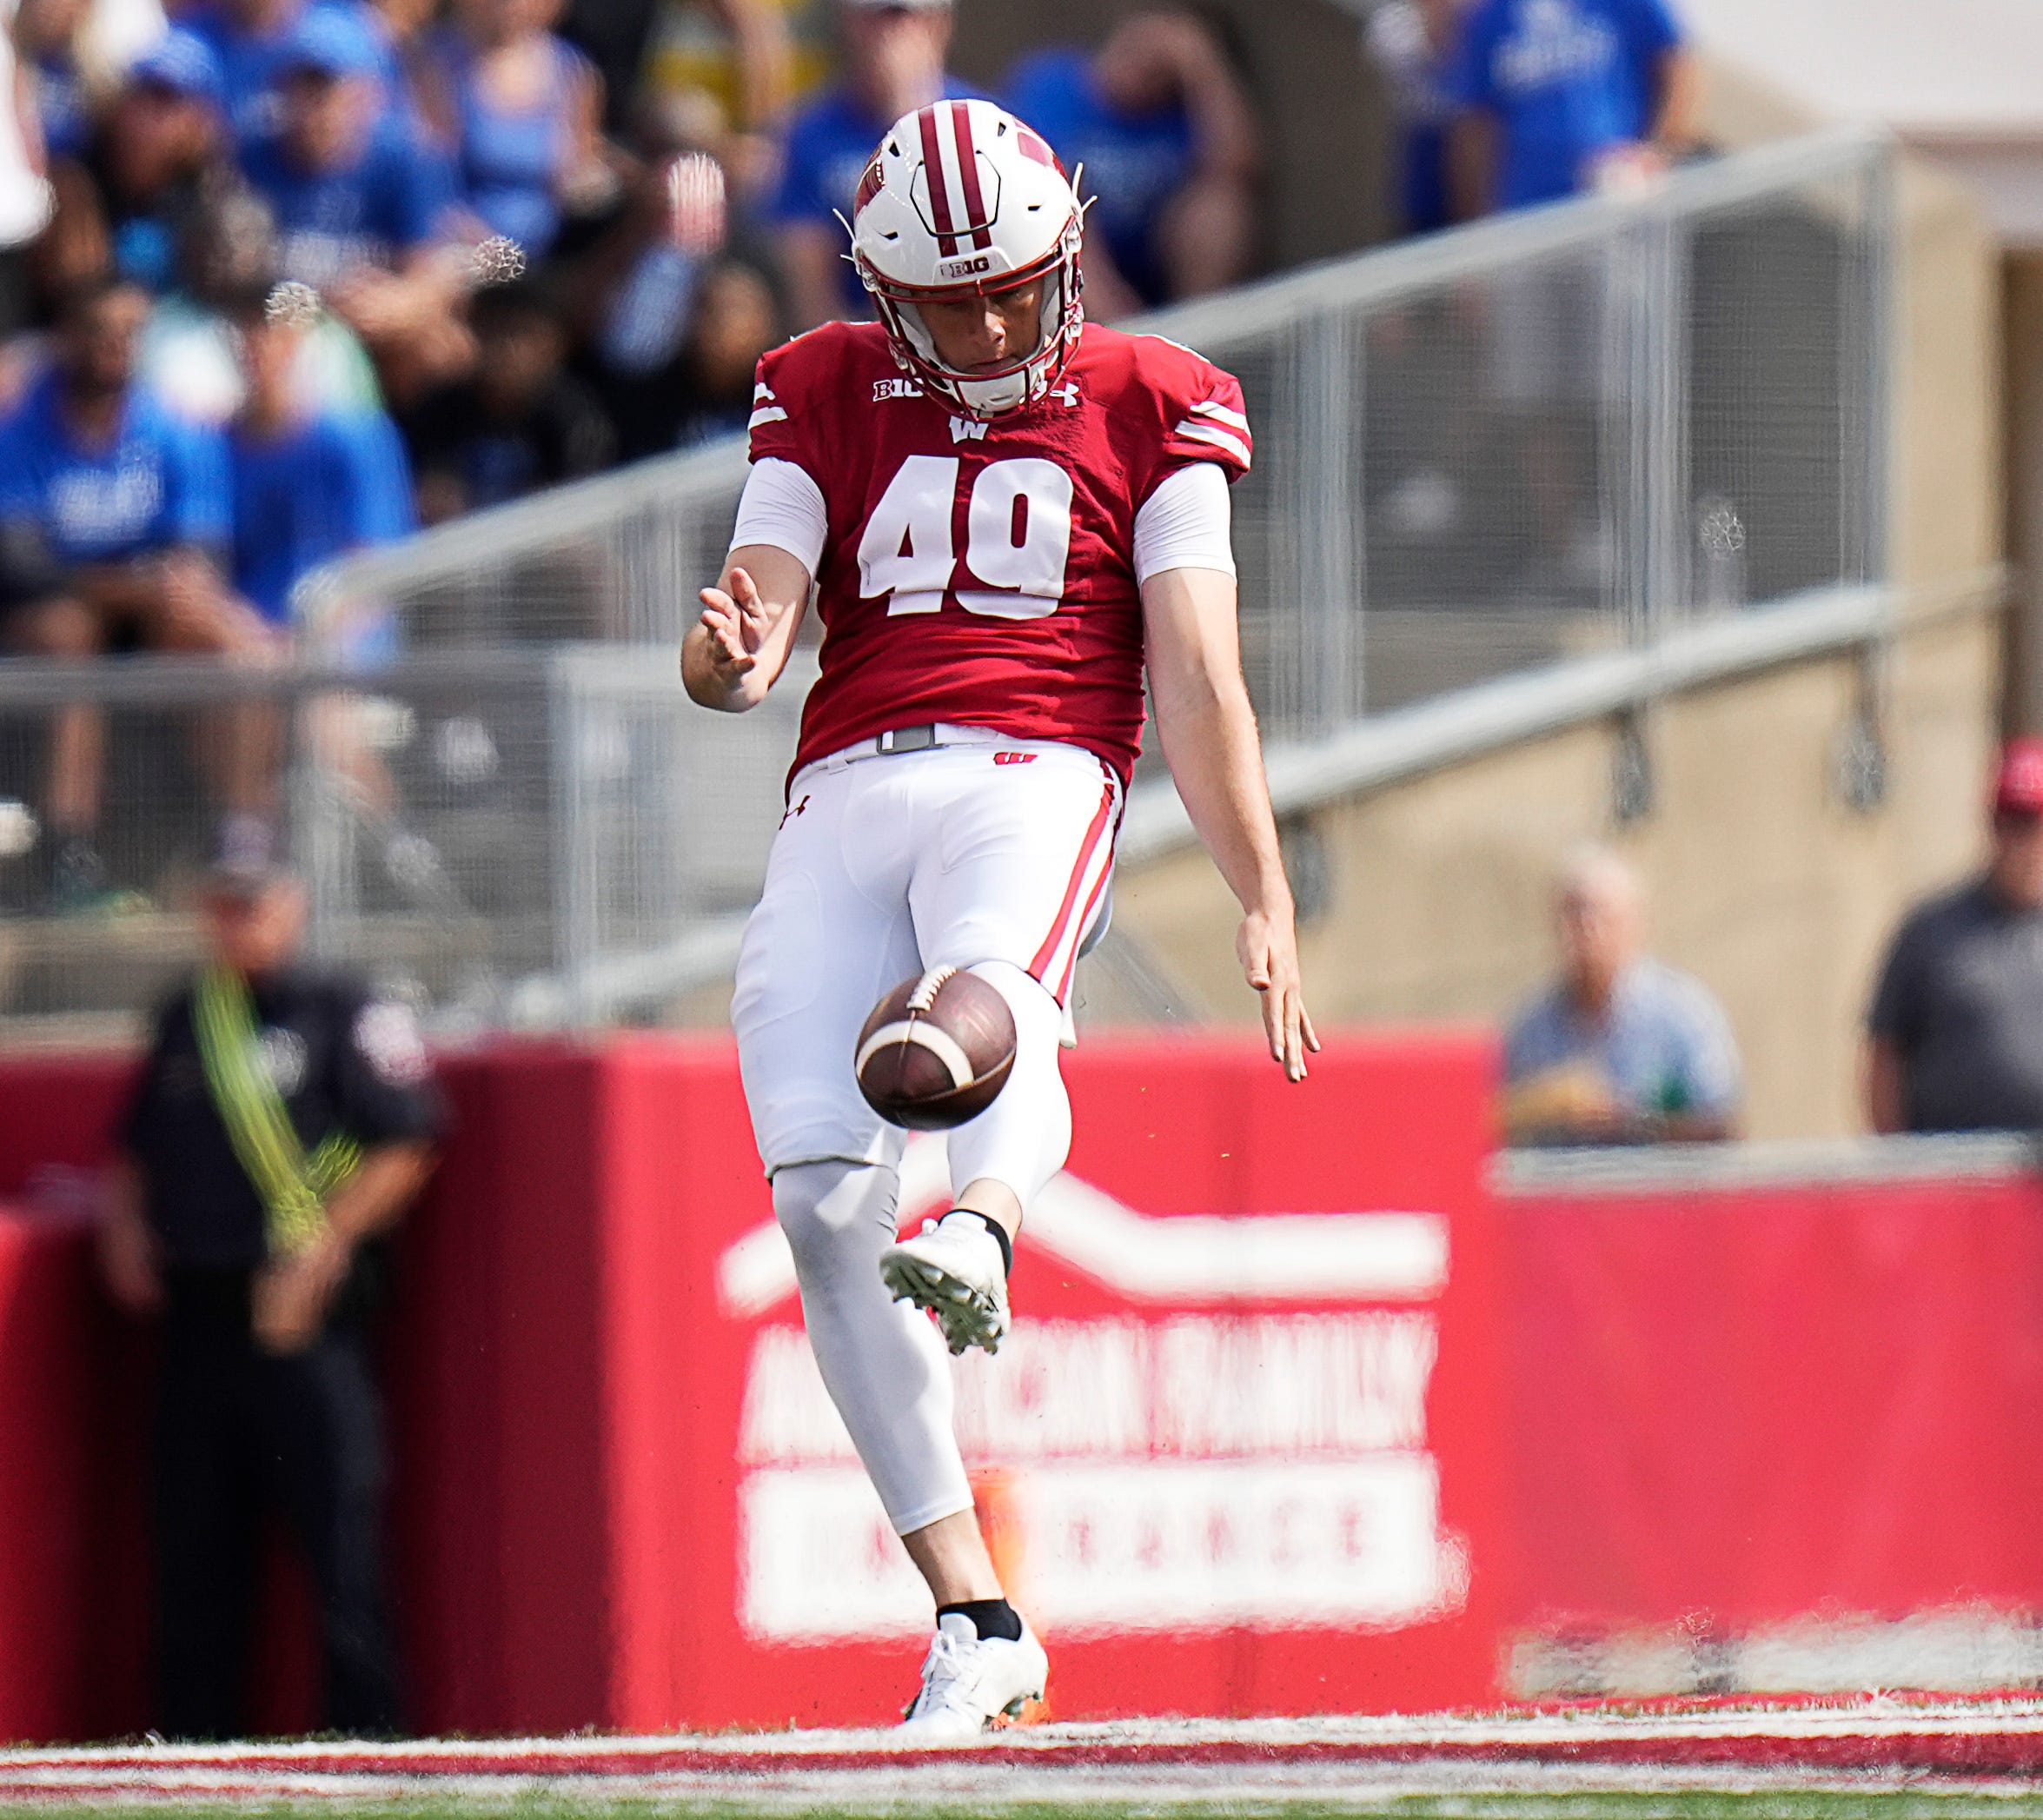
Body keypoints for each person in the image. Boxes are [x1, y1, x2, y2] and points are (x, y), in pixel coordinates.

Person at [683, 98, 1317, 1737]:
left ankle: (984, 1219)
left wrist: (1263, 883)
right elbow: (749, 612)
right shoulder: (818, 381)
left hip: (1037, 762)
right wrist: (729, 656)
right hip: (840, 788)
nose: (985, 323)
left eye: (1012, 288)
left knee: (974, 1005)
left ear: (1067, 252)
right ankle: (978, 1613)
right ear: (880, 289)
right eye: (948, 298)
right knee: (823, 1206)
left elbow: (1194, 666)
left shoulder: (1160, 399)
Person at [103, 823, 441, 1740]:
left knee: (339, 1543)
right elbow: (134, 1148)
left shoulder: (343, 1008)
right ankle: (190, 1747)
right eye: (222, 902)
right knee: (194, 1548)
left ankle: (368, 1743)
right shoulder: (187, 1015)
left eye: (253, 900)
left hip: (306, 1321)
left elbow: (404, 1142)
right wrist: (127, 1231)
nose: (236, 920)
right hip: (199, 1316)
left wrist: (322, 1248)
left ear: (290, 904)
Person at [0, 273, 269, 908]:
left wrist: (156, 588)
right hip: (50, 612)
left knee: (223, 632)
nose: (114, 347)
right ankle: (69, 847)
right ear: (67, 338)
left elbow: (202, 552)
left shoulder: (171, 431)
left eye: (130, 333)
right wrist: (128, 586)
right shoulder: (19, 434)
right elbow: (24, 566)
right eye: (99, 332)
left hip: (146, 609)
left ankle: (243, 830)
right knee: (68, 633)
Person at [238, 7, 468, 398]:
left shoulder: (404, 157)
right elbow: (232, 278)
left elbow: (435, 266)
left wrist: (404, 303)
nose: (312, 105)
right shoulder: (251, 156)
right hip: (278, 322)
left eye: (326, 87)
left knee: (439, 347)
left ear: (367, 95)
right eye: (301, 85)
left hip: (369, 323)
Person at [1003, 11, 1259, 316]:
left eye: (1158, 65)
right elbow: (1044, 189)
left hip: (1158, 265)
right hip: (1073, 265)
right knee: (1064, 218)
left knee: (1221, 210)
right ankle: (1131, 338)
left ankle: (1199, 334)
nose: (1139, 66)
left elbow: (1240, 168)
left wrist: (1203, 69)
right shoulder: (1056, 82)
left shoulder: (1181, 113)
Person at [1502, 845, 1740, 1145]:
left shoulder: (1682, 1016)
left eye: (1597, 915)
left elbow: (1720, 1127)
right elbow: (1493, 1131)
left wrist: (1623, 1118)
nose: (1584, 932)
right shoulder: (1533, 1028)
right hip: (1562, 1189)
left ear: (1634, 922)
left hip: (1658, 1187)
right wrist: (1542, 1107)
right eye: (1571, 915)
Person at [1867, 740, 2043, 1136]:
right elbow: (1884, 1056)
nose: (2025, 843)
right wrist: (1897, 1164)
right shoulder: (1930, 933)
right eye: (2011, 822)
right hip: (1953, 1174)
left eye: (2034, 823)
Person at [769, 0, 978, 334]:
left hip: (962, 323)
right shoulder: (808, 135)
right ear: (849, 24)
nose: (890, 37)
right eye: (876, 20)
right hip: (863, 332)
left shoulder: (979, 123)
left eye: (906, 19)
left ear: (940, 24)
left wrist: (910, 120)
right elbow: (809, 292)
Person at [224, 276, 414, 643]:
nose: (256, 347)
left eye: (268, 331)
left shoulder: (358, 437)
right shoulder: (215, 445)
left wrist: (307, 646)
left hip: (345, 652)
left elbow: (376, 565)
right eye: (246, 331)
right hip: (248, 650)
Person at [1444, 0, 1699, 219]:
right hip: (1529, 210)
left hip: (1619, 192)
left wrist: (1661, 150)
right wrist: (1477, 227)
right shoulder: (1490, 17)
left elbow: (1680, 68)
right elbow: (1473, 130)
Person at [415, 0, 611, 266]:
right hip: (457, 250)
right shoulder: (433, 61)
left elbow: (579, 170)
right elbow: (428, 187)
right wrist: (493, 254)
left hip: (542, 256)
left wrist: (597, 185)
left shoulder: (574, 70)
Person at [402, 274, 614, 521]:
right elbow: (431, 494)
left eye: (521, 333)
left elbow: (573, 508)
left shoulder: (576, 420)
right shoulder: (440, 410)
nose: (506, 348)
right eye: (493, 330)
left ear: (555, 344)